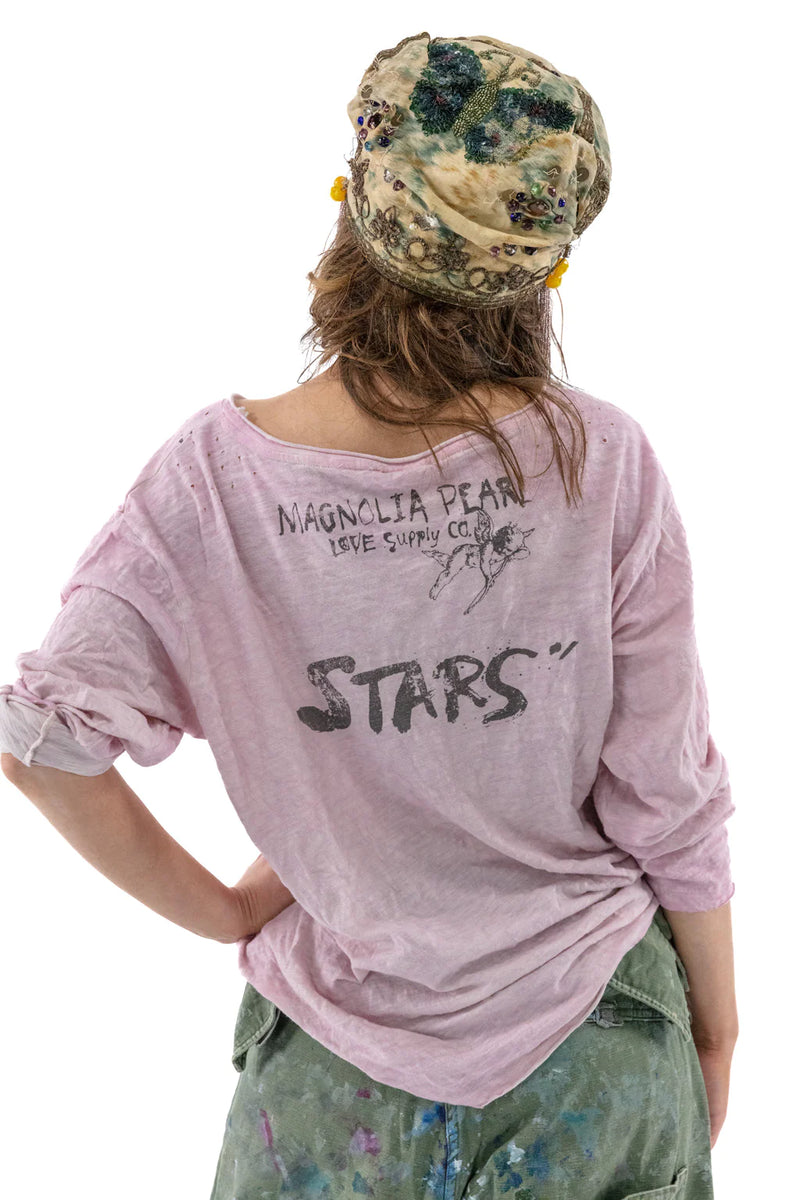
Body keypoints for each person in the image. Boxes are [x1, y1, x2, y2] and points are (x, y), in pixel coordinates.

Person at [0, 31, 737, 1200]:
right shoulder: (599, 461)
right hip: (594, 1036)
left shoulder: (212, 483)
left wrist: (224, 911)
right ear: (541, 268)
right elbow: (664, 788)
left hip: (327, 1068)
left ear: (351, 208)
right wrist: (714, 1021)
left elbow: (44, 743)